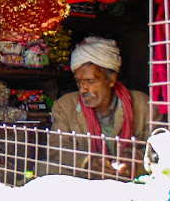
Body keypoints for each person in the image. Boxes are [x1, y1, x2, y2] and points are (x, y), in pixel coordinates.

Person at [45, 36, 152, 179]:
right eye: (79, 81)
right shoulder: (64, 106)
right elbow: (57, 150)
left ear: (112, 80)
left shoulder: (144, 105)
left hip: (129, 180)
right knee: (44, 168)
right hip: (86, 181)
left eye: (90, 81)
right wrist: (86, 163)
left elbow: (160, 147)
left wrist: (134, 162)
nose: (83, 89)